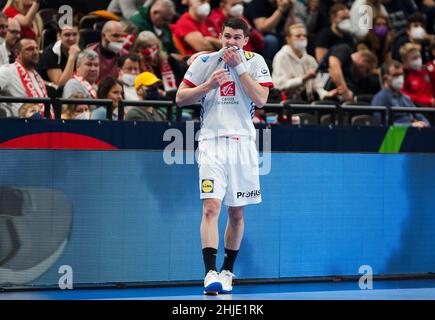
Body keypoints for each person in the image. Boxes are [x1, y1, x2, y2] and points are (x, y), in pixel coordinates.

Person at [176, 17, 272, 295]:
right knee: (211, 208)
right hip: (211, 142)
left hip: (243, 143)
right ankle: (210, 274)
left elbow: (262, 99)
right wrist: (208, 86)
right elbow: (181, 98)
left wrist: (239, 68)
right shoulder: (204, 62)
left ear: (245, 40)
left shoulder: (255, 62)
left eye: (237, 37)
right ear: (220, 36)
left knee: (237, 212)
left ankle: (228, 271)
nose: (231, 42)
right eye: (227, 36)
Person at [272, 23, 336, 102]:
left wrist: (327, 94)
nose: (302, 38)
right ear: (288, 39)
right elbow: (279, 85)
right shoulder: (281, 57)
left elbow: (318, 87)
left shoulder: (310, 59)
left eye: (304, 36)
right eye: (298, 36)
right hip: (287, 102)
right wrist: (304, 78)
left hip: (307, 102)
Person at [372, 60, 429, 127]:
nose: (400, 78)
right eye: (396, 75)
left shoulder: (406, 98)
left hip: (412, 134)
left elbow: (419, 116)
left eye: (402, 74)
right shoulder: (380, 98)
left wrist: (425, 124)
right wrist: (411, 125)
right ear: (385, 78)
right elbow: (382, 125)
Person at [0, 38, 47, 117]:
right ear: (18, 53)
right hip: (18, 125)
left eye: (37, 48)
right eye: (30, 49)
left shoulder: (37, 76)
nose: (35, 52)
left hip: (41, 124)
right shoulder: (8, 71)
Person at [36, 23, 81, 89]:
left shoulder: (81, 52)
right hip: (50, 95)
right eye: (67, 35)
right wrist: (71, 57)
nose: (71, 38)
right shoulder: (50, 53)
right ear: (59, 35)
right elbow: (61, 85)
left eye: (75, 34)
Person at [400, 42, 435, 107]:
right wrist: (427, 101)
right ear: (405, 61)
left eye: (419, 57)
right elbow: (403, 95)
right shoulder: (403, 75)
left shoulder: (427, 70)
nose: (418, 60)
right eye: (414, 58)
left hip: (431, 108)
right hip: (416, 108)